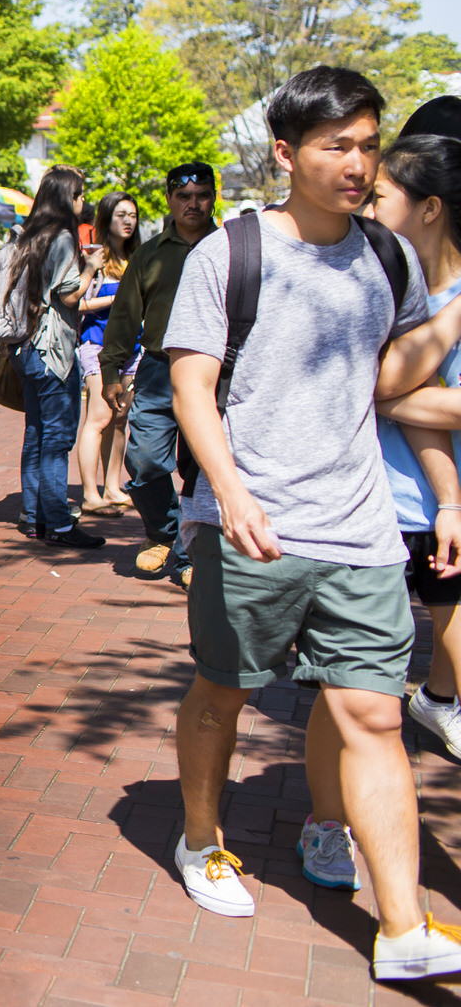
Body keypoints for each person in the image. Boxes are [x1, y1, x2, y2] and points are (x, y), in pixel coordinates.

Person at [165, 67, 461, 978]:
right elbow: (190, 385)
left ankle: (403, 925)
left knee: (374, 709)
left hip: (361, 526)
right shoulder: (231, 252)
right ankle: (201, 836)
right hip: (252, 525)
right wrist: (233, 491)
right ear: (287, 154)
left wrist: (447, 494)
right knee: (227, 690)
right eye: (339, 146)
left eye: (370, 145)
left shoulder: (389, 258)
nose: (359, 164)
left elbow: (401, 390)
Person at [368, 137, 461, 760]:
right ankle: (332, 818)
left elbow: (385, 387)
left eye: (379, 196)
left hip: (444, 513)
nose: (367, 207)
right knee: (358, 690)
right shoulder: (380, 284)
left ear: (429, 209)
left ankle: (437, 700)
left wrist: (383, 400)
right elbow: (385, 380)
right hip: (380, 506)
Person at [99, 164, 217, 580]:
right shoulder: (149, 254)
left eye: (202, 195)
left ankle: (188, 557)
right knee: (144, 459)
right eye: (184, 196)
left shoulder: (228, 248)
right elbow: (126, 314)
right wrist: (111, 370)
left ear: (214, 198)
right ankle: (161, 532)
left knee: (202, 467)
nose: (193, 203)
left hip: (214, 374)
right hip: (157, 369)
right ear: (170, 199)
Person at [10, 166, 106, 547]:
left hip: (24, 347)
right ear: (69, 197)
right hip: (53, 349)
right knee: (56, 439)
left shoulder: (27, 236)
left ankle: (33, 517)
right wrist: (91, 269)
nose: (84, 202)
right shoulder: (63, 239)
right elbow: (69, 296)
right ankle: (59, 524)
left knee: (35, 434)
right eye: (80, 194)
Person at [74, 192, 138, 518]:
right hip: (97, 345)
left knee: (120, 418)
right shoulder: (96, 258)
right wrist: (115, 302)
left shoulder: (139, 257)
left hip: (133, 348)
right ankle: (89, 493)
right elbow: (77, 303)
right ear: (106, 218)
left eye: (132, 215)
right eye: (120, 215)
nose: (128, 221)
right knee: (98, 418)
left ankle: (112, 487)